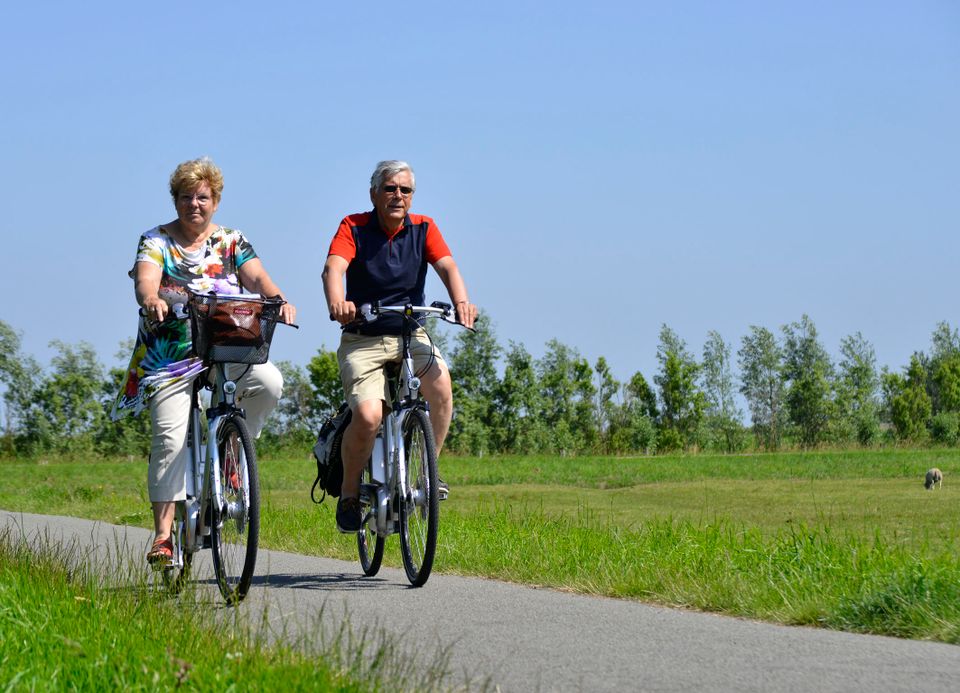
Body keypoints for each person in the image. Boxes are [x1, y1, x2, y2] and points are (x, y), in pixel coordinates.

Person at [112, 157, 296, 565]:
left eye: (202, 197)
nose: (194, 204)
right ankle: (163, 536)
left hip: (226, 347)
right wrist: (151, 298)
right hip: (172, 354)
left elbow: (257, 278)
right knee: (170, 439)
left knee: (269, 383)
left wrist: (278, 300)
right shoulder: (156, 240)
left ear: (215, 201)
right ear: (175, 200)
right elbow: (146, 279)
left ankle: (232, 453)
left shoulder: (231, 240)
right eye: (186, 197)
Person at [322, 160, 478, 533]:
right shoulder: (353, 226)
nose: (398, 196)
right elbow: (333, 268)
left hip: (411, 333)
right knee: (369, 416)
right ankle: (349, 494)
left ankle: (426, 473)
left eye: (405, 190)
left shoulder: (424, 228)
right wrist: (338, 302)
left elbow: (448, 267)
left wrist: (461, 302)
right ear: (374, 194)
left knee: (441, 386)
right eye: (390, 188)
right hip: (364, 338)